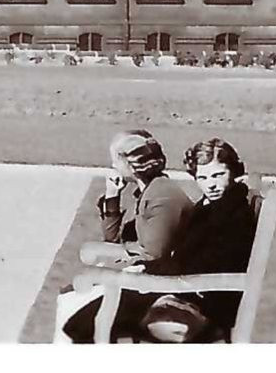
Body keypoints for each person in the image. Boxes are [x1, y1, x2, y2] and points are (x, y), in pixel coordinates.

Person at [63, 138, 259, 343]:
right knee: (84, 312)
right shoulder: (216, 205)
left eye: (218, 175)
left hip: (198, 301)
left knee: (84, 320)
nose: (211, 184)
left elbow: (203, 265)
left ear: (234, 173)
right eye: (203, 177)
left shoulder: (230, 215)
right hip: (186, 290)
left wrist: (146, 272)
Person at [81, 130, 196, 269]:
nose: (113, 165)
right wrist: (112, 196)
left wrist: (117, 254)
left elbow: (153, 255)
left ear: (132, 166)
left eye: (116, 160)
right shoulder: (147, 192)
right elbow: (112, 239)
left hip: (162, 279)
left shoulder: (161, 198)